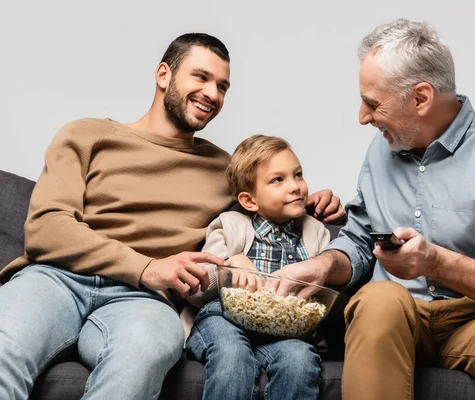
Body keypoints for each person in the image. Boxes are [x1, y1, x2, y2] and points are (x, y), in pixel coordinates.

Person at [0, 34, 344, 399]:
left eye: (222, 86)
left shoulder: (224, 169)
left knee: (143, 356)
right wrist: (147, 266)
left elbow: (266, 202)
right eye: (201, 77)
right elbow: (46, 227)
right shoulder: (87, 135)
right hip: (56, 280)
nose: (212, 93)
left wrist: (311, 204)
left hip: (143, 301)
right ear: (164, 75)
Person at [273, 19, 475, 399]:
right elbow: (360, 241)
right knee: (378, 301)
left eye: (372, 103)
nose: (362, 116)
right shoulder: (382, 149)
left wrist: (436, 263)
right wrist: (324, 264)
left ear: (421, 98)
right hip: (393, 316)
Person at [182, 134, 330, 400]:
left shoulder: (315, 232)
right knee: (231, 354)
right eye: (278, 180)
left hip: (284, 329)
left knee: (299, 361)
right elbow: (197, 290)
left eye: (298, 175)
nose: (295, 186)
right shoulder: (228, 226)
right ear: (249, 201)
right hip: (223, 317)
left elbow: (321, 293)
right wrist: (230, 264)